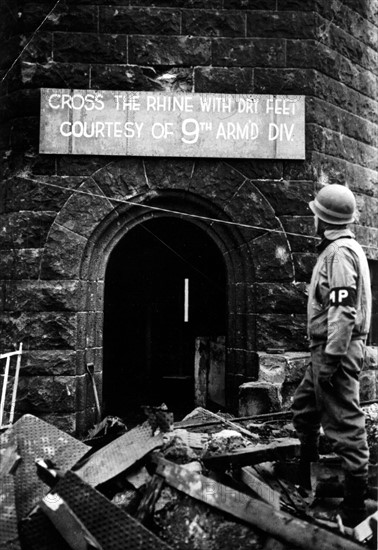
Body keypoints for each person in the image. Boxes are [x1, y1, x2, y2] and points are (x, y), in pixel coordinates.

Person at [292, 183, 372, 527]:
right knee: (305, 407)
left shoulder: (339, 254)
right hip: (325, 350)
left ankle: (354, 506)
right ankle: (305, 477)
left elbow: (343, 312)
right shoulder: (340, 249)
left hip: (334, 350)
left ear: (322, 220)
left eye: (314, 215)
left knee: (344, 425)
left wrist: (332, 359)